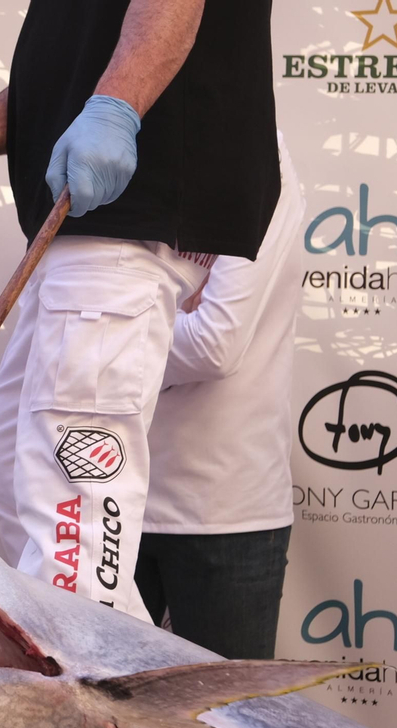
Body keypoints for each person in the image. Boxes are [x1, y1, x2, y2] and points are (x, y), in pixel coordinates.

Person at [0, 0, 280, 621]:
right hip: (78, 234)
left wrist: (119, 109)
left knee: (72, 532)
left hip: (124, 222)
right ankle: (104, 667)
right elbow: (81, 59)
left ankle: (82, 702)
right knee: (13, 480)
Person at [135, 133, 305, 659]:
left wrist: (119, 338)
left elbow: (215, 344)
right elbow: (67, 318)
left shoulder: (258, 161)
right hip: (111, 494)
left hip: (226, 511)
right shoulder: (117, 152)